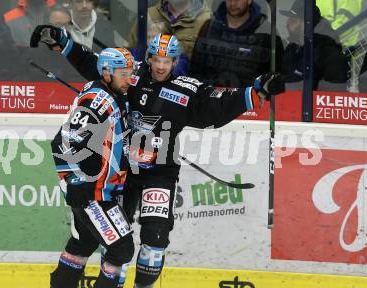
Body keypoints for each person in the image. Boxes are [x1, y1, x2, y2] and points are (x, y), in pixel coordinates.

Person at [31, 27, 284, 288]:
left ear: (175, 62)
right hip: (123, 175)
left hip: (160, 175)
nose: (161, 66)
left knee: (155, 239)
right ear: (149, 58)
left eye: (167, 61)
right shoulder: (130, 74)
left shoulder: (187, 89)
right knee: (117, 240)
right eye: (157, 60)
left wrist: (258, 90)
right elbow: (97, 65)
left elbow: (217, 106)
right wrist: (63, 43)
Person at [49, 46, 135, 288]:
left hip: (100, 188)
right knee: (121, 248)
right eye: (123, 74)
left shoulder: (113, 93)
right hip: (92, 192)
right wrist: (76, 181)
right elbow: (64, 141)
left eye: (130, 73)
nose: (129, 80)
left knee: (84, 243)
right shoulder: (97, 101)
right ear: (106, 73)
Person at [190, 0, 283, 87]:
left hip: (249, 100)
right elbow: (195, 70)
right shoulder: (210, 27)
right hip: (209, 97)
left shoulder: (267, 32)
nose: (233, 4)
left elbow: (275, 79)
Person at [280, 0, 349, 89]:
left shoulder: (329, 54)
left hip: (311, 102)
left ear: (306, 24)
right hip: (288, 101)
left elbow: (334, 93)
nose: (287, 23)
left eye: (293, 20)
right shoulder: (292, 48)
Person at [128, 0, 211, 61]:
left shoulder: (206, 21)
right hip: (148, 82)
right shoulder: (148, 15)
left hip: (187, 82)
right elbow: (130, 56)